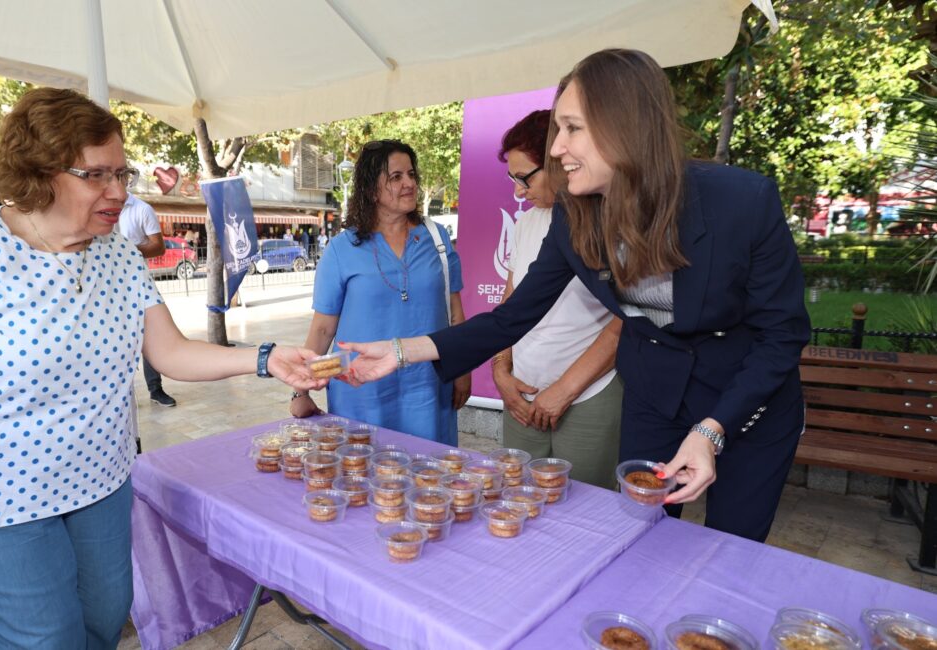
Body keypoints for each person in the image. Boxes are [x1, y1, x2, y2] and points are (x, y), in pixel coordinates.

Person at [0, 87, 326, 648]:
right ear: (39, 172)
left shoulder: (115, 252)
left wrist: (265, 358)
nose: (118, 192)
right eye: (96, 175)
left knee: (103, 624)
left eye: (122, 174)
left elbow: (170, 353)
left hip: (100, 486)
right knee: (44, 641)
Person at [342, 49, 810, 543]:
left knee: (730, 545)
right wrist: (400, 352)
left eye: (571, 129)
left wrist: (712, 430)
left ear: (624, 124)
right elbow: (511, 319)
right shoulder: (574, 217)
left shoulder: (741, 201)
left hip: (750, 399)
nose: (556, 149)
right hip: (656, 392)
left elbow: (782, 335)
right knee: (639, 536)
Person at [291, 139, 470, 445]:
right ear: (371, 190)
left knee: (427, 483)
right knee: (363, 481)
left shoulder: (437, 239)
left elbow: (455, 313)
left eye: (412, 175)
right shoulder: (341, 249)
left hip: (426, 389)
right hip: (361, 393)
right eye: (396, 177)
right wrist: (301, 391)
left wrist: (464, 370)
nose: (409, 183)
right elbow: (322, 329)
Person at [493, 109, 624, 489]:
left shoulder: (606, 221)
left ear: (559, 161)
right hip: (522, 394)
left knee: (583, 513)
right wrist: (502, 371)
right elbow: (510, 306)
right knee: (518, 500)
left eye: (524, 178)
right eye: (512, 178)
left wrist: (564, 391)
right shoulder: (527, 222)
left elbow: (624, 322)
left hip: (589, 395)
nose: (518, 190)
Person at [117, 192, 177, 408]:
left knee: (148, 335)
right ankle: (122, 394)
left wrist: (124, 250)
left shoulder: (141, 209)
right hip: (106, 284)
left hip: (135, 280)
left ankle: (155, 389)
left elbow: (158, 246)